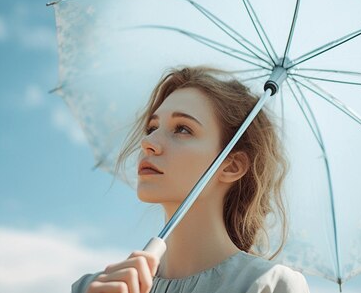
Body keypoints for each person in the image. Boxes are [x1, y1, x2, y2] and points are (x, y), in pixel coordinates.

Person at [71, 66, 310, 293]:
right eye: (152, 127)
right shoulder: (92, 287)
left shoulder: (268, 285)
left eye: (182, 129)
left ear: (232, 166)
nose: (148, 143)